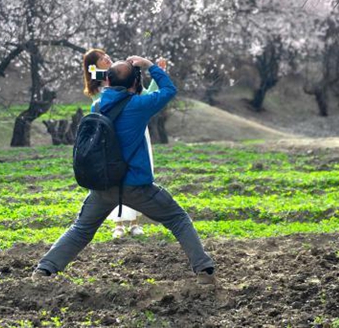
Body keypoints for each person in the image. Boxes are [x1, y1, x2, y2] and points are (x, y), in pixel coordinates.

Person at [33, 56, 216, 284]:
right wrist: (150, 67)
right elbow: (169, 90)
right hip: (136, 186)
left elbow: (108, 81)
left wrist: (115, 72)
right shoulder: (139, 106)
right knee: (178, 219)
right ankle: (204, 270)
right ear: (134, 83)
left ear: (107, 81)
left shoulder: (97, 105)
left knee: (81, 230)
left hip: (103, 185)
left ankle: (45, 269)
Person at [82, 48, 162, 239]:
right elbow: (100, 76)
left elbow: (145, 97)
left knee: (133, 173)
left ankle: (135, 223)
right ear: (93, 65)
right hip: (111, 134)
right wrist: (131, 68)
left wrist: (156, 74)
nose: (107, 58)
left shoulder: (121, 76)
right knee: (114, 174)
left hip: (134, 130)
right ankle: (117, 224)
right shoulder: (100, 80)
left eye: (106, 55)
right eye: (101, 58)